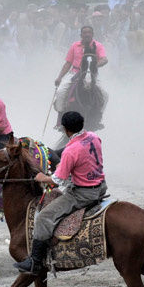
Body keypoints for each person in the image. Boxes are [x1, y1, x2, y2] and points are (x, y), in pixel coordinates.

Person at [14, 111, 107, 276]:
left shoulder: (71, 151)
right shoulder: (93, 136)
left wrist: (41, 177)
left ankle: (35, 261)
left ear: (65, 129)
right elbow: (77, 151)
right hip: (101, 186)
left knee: (43, 217)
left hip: (82, 194)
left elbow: (57, 180)